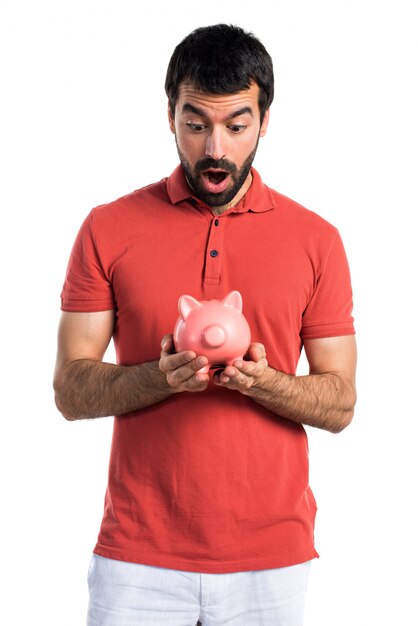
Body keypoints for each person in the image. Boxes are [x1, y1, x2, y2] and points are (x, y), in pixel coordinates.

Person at [54, 23, 357, 626]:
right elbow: (70, 390)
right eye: (196, 124)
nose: (215, 148)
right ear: (170, 116)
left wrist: (261, 381)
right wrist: (162, 378)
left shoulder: (316, 240)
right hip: (138, 557)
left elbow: (341, 403)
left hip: (270, 560)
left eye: (236, 125)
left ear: (264, 121)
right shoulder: (107, 227)